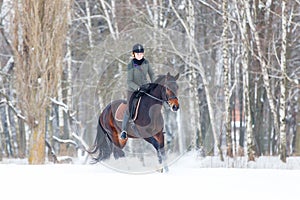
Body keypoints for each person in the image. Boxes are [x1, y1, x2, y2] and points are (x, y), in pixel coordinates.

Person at [120, 43, 155, 140]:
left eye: (141, 53)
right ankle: (124, 130)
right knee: (130, 107)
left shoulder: (146, 63)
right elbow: (129, 81)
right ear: (133, 54)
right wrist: (137, 88)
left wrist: (154, 84)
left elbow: (152, 74)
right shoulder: (131, 65)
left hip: (146, 88)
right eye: (137, 54)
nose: (139, 55)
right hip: (133, 90)